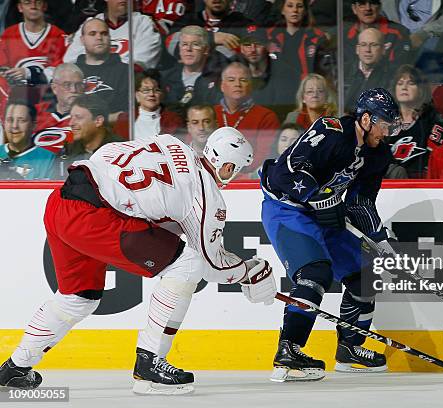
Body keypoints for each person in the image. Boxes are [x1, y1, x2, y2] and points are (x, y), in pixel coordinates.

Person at [0, 126, 277, 395]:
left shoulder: (171, 142)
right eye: (238, 170)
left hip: (62, 201)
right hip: (94, 218)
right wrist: (250, 272)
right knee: (188, 264)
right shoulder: (206, 196)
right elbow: (211, 266)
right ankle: (149, 363)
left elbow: (105, 155)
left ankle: (15, 368)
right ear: (228, 167)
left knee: (78, 298)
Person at [260, 88, 400, 382]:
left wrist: (380, 239)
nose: (386, 132)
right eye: (384, 124)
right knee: (315, 273)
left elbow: (360, 201)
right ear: (365, 119)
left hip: (326, 211)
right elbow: (288, 172)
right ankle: (289, 349)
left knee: (365, 274)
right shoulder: (330, 130)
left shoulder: (378, 153)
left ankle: (349, 348)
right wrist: (317, 197)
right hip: (288, 208)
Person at [214, 61, 280, 178]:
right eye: (231, 80)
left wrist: (236, 175)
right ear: (222, 86)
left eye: (243, 80)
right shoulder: (210, 114)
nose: (237, 84)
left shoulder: (267, 117)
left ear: (250, 86)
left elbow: (265, 155)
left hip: (248, 179)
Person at [385, 64, 443, 178]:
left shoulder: (433, 120)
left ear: (420, 89)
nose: (404, 87)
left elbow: (435, 160)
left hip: (421, 185)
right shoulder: (385, 121)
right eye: (400, 83)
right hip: (388, 185)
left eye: (411, 83)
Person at [64, 0, 161, 69]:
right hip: (90, 82)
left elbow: (142, 62)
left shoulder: (143, 22)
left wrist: (102, 68)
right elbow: (70, 59)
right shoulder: (91, 23)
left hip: (125, 84)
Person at [266, 0, 331, 96]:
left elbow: (324, 70)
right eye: (290, 6)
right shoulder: (269, 35)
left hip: (308, 92)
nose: (295, 10)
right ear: (282, 10)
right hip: (276, 92)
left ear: (305, 11)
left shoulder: (317, 37)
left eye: (299, 6)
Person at [51, 93, 123, 179]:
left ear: (98, 121)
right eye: (71, 117)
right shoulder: (67, 151)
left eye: (78, 117)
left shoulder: (121, 152)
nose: (71, 123)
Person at [0, 0, 67, 86]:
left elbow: (61, 70)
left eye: (38, 2)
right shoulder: (8, 35)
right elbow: (2, 68)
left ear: (44, 6)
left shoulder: (59, 36)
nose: (33, 6)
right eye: (27, 2)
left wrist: (29, 73)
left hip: (48, 93)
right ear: (20, 7)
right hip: (15, 93)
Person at [75, 18, 129, 122]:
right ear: (82, 40)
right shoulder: (71, 72)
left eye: (104, 33)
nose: (99, 37)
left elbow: (125, 114)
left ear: (110, 38)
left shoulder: (125, 71)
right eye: (92, 34)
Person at [161, 25, 227, 111]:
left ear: (206, 49)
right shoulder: (164, 77)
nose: (188, 49)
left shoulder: (219, 79)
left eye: (195, 44)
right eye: (184, 44)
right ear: (180, 49)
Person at [114, 69, 184, 141]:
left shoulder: (173, 119)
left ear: (162, 95)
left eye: (156, 90)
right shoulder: (125, 120)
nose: (151, 94)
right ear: (137, 95)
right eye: (146, 90)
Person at [344, 0, 412, 68]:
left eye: (373, 3)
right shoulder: (344, 34)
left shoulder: (399, 32)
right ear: (354, 8)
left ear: (380, 7)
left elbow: (401, 70)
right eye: (362, 3)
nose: (368, 8)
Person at [0, 100, 55, 179]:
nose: (15, 126)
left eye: (22, 120)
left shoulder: (48, 159)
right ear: (4, 124)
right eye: (10, 120)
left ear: (33, 125)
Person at [344, 27, 394, 110]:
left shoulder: (393, 74)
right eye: (363, 45)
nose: (368, 50)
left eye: (374, 45)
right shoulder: (342, 71)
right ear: (357, 49)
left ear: (383, 49)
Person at [35, 63, 84, 132]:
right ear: (54, 88)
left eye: (78, 85)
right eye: (67, 85)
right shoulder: (35, 112)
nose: (74, 90)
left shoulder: (90, 116)